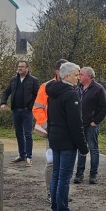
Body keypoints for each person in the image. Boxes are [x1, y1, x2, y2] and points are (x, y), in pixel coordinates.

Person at [46, 62, 89, 211]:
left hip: (55, 139)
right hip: (66, 142)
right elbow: (75, 123)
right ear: (66, 76)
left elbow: (50, 118)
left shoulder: (53, 92)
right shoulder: (70, 94)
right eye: (76, 75)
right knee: (64, 178)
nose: (78, 78)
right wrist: (83, 147)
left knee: (57, 175)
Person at [33, 58, 68, 199]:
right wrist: (47, 126)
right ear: (57, 71)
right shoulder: (46, 86)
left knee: (65, 163)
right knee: (52, 162)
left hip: (66, 131)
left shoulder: (71, 85)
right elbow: (37, 108)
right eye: (63, 70)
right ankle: (50, 192)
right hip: (52, 130)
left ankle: (60, 192)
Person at [0, 60, 40, 167]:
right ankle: (21, 154)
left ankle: (29, 157)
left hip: (27, 111)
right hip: (16, 110)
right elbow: (6, 91)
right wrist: (3, 102)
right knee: (18, 133)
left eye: (22, 66)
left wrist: (31, 106)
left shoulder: (33, 80)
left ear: (27, 68)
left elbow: (38, 95)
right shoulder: (14, 80)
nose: (20, 68)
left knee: (28, 134)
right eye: (18, 66)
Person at [74, 66, 106, 184]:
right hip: (79, 124)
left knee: (93, 148)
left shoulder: (98, 89)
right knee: (81, 149)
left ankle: (93, 174)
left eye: (81, 75)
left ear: (89, 76)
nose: (79, 77)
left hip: (91, 125)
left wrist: (95, 121)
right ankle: (79, 174)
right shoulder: (77, 88)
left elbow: (104, 108)